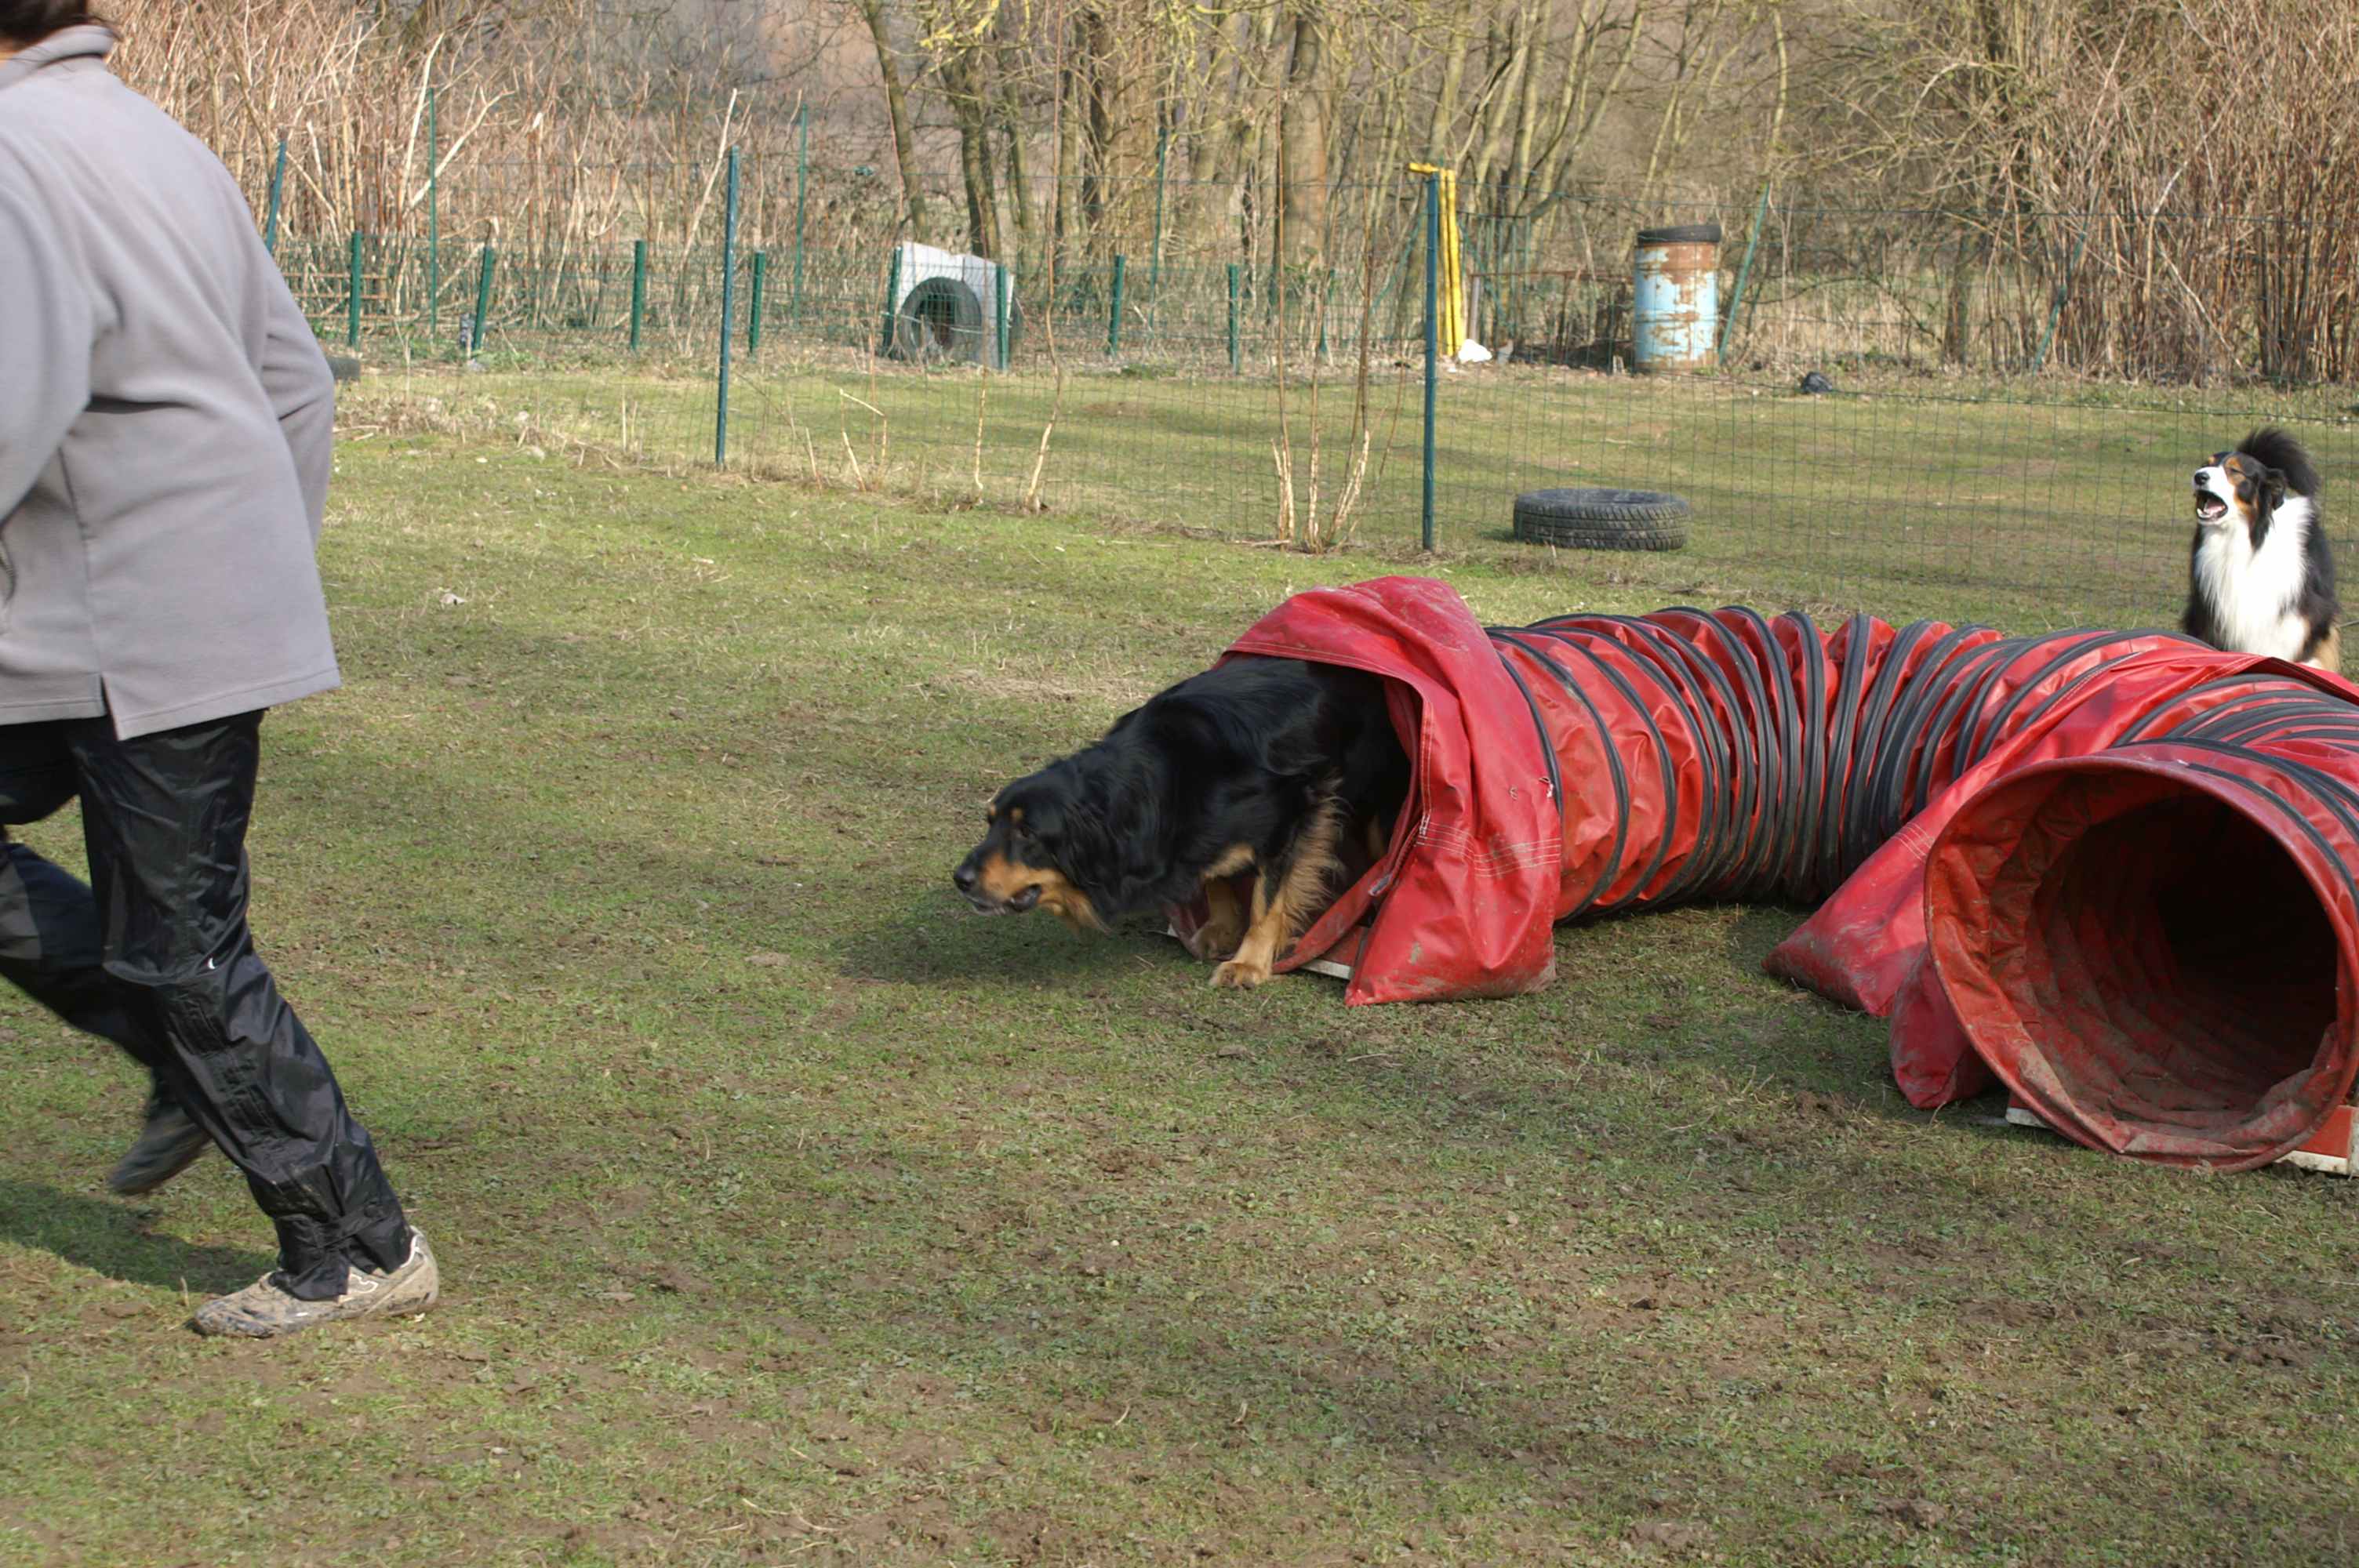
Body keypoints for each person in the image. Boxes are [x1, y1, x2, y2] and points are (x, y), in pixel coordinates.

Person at [0, 2, 438, 1335]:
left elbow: (13, 401)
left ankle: (357, 1247)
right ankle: (161, 1042)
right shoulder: (158, 139)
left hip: (132, 630)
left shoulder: (14, 148)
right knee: (167, 960)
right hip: (127, 620)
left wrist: (207, 591)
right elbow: (297, 379)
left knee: (183, 955)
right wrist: (253, 568)